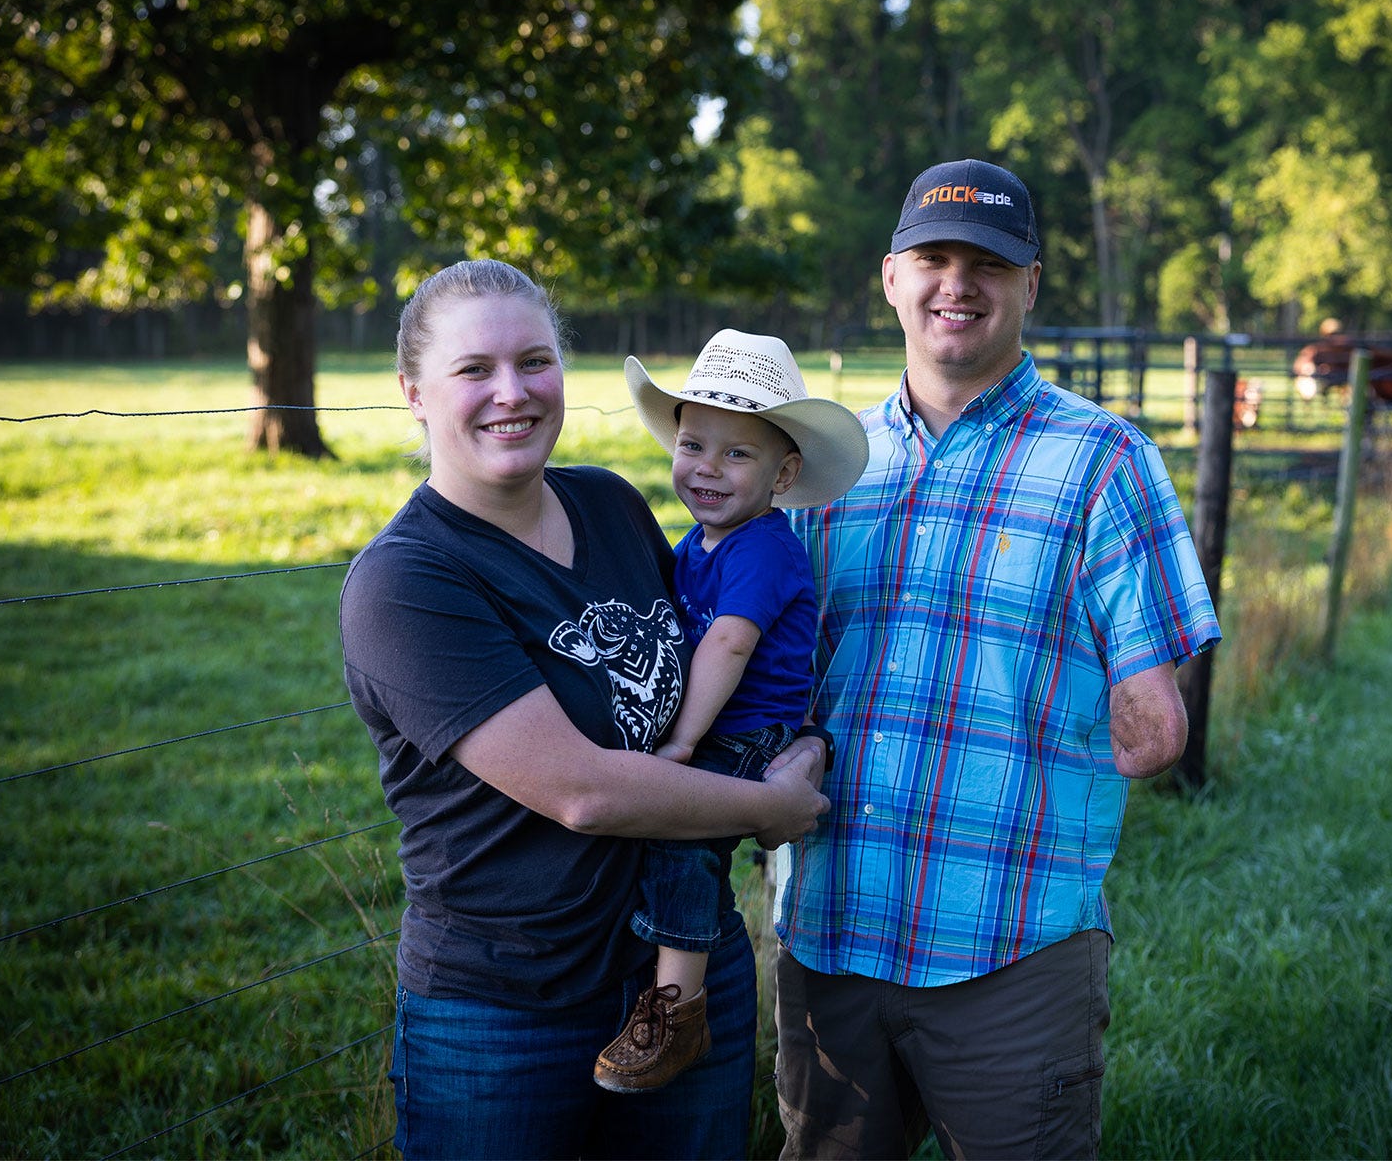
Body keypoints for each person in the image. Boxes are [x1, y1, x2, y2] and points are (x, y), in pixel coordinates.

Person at [774, 159, 1222, 1159]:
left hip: (1013, 949)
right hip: (832, 935)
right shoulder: (822, 465)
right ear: (890, 278)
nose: (958, 284)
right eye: (933, 258)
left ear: (1031, 284)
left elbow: (1154, 733)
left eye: (989, 262)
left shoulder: (1105, 461)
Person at [338, 259, 830, 1160]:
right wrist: (775, 808)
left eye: (535, 361)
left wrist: (794, 741)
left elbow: (730, 643)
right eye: (474, 370)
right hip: (506, 1011)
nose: (512, 393)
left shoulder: (608, 505)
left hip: (681, 977)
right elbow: (584, 793)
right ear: (412, 393)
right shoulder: (407, 583)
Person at [593, 329, 867, 1092]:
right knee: (665, 841)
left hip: (747, 732)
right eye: (693, 445)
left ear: (783, 474)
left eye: (737, 454)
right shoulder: (701, 542)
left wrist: (681, 743)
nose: (707, 469)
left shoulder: (762, 549)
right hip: (720, 723)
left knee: (683, 838)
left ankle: (677, 1012)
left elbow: (728, 648)